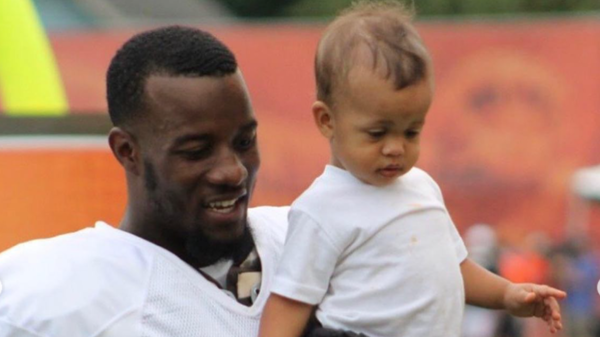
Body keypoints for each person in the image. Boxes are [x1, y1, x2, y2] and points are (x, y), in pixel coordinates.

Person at [0, 26, 354, 337]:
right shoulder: (59, 293)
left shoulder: (315, 239)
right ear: (127, 151)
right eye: (198, 151)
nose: (233, 171)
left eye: (244, 142)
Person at [258, 2, 567, 337]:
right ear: (327, 120)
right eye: (377, 133)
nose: (395, 148)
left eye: (411, 131)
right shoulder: (320, 209)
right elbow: (288, 304)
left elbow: (455, 268)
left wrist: (507, 294)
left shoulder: (421, 186)